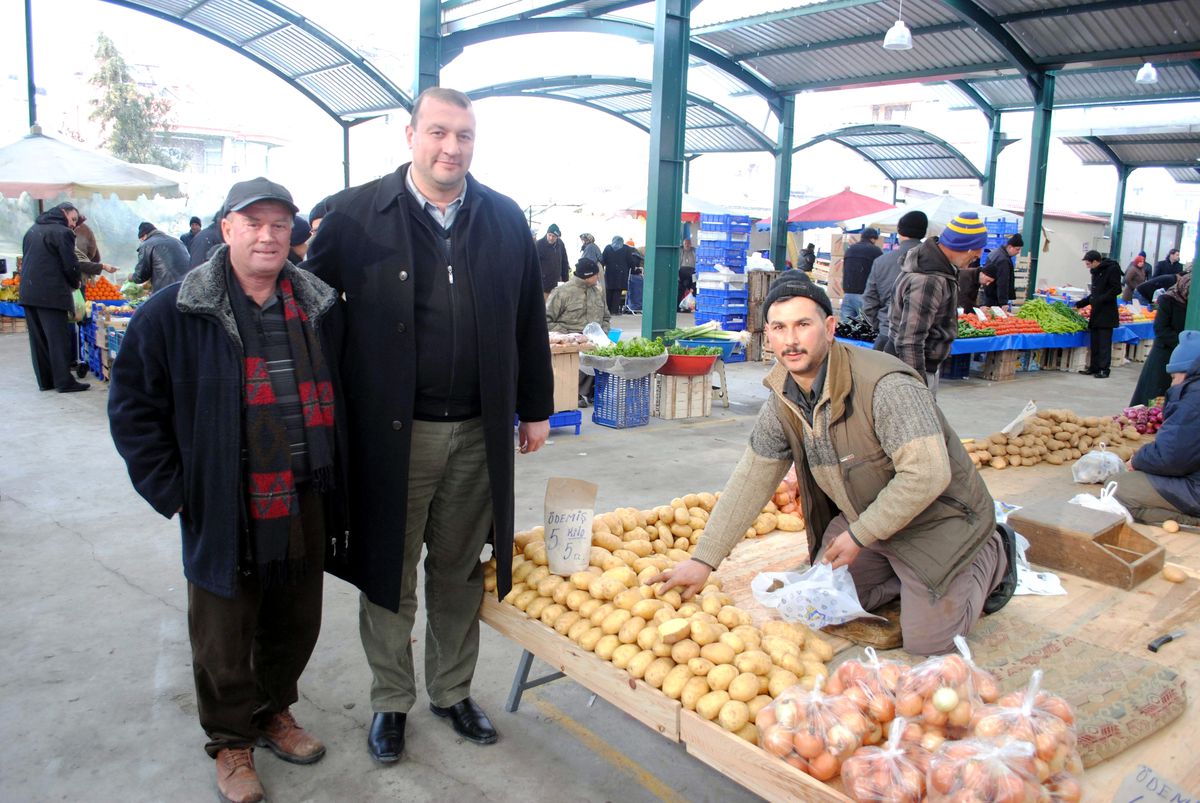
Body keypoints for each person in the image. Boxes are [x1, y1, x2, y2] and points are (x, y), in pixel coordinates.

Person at [303, 86, 554, 763]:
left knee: (457, 570)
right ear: (410, 133)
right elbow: (308, 308)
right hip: (394, 433)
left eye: (464, 136)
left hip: (479, 430)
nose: (451, 148)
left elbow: (530, 316)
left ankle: (451, 690)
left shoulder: (502, 217)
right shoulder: (355, 215)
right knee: (388, 569)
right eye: (438, 132)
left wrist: (536, 405)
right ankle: (391, 700)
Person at [108, 177, 346, 803]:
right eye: (254, 223)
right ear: (227, 228)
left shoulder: (316, 305)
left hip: (304, 491)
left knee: (295, 619)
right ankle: (230, 740)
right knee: (223, 628)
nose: (268, 235)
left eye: (280, 224)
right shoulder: (176, 310)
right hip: (223, 496)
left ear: (294, 233)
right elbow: (133, 406)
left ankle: (273, 712)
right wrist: (175, 490)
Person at [651, 274, 1014, 655]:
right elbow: (752, 478)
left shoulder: (886, 385)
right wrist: (703, 560)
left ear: (828, 327)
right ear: (767, 335)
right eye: (779, 327)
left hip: (939, 520)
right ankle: (903, 573)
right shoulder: (784, 397)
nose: (790, 340)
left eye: (802, 325)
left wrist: (860, 535)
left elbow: (928, 475)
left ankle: (995, 552)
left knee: (929, 642)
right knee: (819, 605)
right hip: (871, 517)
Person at [888, 212, 987, 396]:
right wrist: (917, 389)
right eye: (976, 249)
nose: (979, 254)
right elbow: (910, 340)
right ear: (962, 245)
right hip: (915, 368)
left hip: (920, 365)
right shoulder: (929, 280)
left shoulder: (939, 270)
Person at [1114, 331, 1200, 526]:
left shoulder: (1194, 398)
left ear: (1186, 372)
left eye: (1173, 377)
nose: (1172, 383)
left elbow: (1172, 458)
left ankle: (1191, 520)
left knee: (1118, 487)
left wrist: (1138, 459)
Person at [19, 203, 91, 392]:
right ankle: (63, 381)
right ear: (63, 213)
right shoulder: (63, 233)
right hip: (51, 293)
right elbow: (70, 264)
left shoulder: (32, 230)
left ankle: (46, 381)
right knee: (58, 339)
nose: (74, 224)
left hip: (28, 292)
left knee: (38, 340)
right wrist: (76, 282)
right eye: (73, 219)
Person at [546, 257, 609, 407]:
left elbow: (606, 317)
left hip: (594, 340)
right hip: (570, 341)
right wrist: (568, 335)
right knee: (574, 357)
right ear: (587, 275)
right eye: (596, 274)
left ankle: (592, 391)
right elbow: (546, 320)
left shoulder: (597, 292)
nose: (598, 277)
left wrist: (603, 333)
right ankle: (572, 392)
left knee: (609, 355)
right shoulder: (562, 292)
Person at [862, 210, 927, 353]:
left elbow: (869, 301)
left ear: (899, 232)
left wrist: (880, 325)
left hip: (887, 334)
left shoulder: (882, 262)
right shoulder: (936, 262)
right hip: (923, 341)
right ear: (924, 232)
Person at [1130, 273, 1189, 406]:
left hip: (1184, 356)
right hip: (1164, 353)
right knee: (1154, 393)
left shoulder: (1191, 305)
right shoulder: (1168, 300)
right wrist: (1183, 344)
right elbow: (1161, 329)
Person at [1075, 249, 1123, 379]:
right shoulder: (1095, 272)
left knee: (1104, 343)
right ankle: (1094, 367)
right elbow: (1094, 294)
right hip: (1096, 312)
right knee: (1095, 342)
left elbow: (1116, 289)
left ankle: (1104, 369)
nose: (1087, 266)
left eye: (1088, 264)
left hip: (1107, 312)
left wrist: (1100, 299)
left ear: (1096, 261)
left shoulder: (1111, 269)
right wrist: (1080, 304)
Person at [132, 220, 191, 291]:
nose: (141, 241)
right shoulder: (177, 241)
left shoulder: (146, 245)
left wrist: (131, 277)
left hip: (168, 289)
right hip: (188, 285)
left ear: (144, 236)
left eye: (141, 239)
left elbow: (140, 277)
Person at [839, 228, 882, 321]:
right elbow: (881, 274)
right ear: (873, 239)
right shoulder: (875, 251)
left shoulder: (850, 250)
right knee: (865, 329)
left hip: (847, 294)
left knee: (846, 329)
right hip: (865, 295)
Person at [600, 235, 639, 315]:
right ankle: (615, 311)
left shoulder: (608, 248)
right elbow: (630, 261)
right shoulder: (626, 248)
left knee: (609, 291)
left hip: (609, 273)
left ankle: (608, 311)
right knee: (617, 292)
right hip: (621, 274)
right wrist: (634, 268)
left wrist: (602, 270)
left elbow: (603, 260)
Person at [980, 234, 1022, 307]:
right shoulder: (1003, 260)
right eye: (1017, 249)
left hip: (988, 293)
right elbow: (1003, 282)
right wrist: (1003, 302)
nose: (1018, 252)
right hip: (995, 297)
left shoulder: (995, 253)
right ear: (1010, 247)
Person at [536, 223, 570, 301]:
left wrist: (566, 280)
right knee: (545, 309)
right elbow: (533, 266)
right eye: (549, 235)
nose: (551, 238)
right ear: (547, 233)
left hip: (557, 285)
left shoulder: (560, 244)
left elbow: (564, 262)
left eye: (554, 236)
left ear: (557, 237)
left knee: (556, 310)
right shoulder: (539, 245)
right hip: (544, 286)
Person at [678, 237, 696, 304]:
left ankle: (694, 305)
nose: (687, 245)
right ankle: (678, 306)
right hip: (682, 273)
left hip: (692, 272)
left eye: (688, 243)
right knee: (680, 288)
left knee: (694, 287)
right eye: (685, 243)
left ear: (691, 244)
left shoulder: (694, 251)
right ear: (683, 244)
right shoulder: (680, 251)